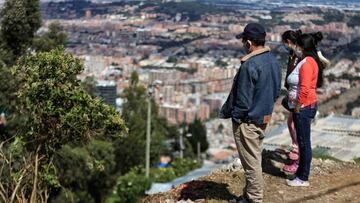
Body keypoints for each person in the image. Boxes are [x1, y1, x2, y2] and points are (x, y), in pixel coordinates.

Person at [220, 23, 282, 203]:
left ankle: (254, 199)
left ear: (248, 43)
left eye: (243, 41)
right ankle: (248, 196)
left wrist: (237, 118)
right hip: (263, 117)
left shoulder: (249, 65)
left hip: (247, 121)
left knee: (251, 163)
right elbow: (276, 91)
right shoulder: (273, 61)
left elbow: (243, 99)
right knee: (254, 156)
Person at [286, 32, 325, 187]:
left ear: (302, 46)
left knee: (304, 143)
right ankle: (301, 173)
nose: (295, 47)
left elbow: (304, 88)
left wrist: (297, 106)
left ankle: (303, 178)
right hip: (304, 106)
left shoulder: (308, 63)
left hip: (303, 107)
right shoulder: (307, 60)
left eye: (297, 45)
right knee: (303, 142)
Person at [281, 30, 303, 174]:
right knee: (291, 123)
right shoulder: (293, 54)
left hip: (298, 98)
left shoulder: (300, 55)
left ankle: (298, 156)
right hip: (293, 96)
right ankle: (296, 152)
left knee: (295, 125)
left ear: (289, 41)